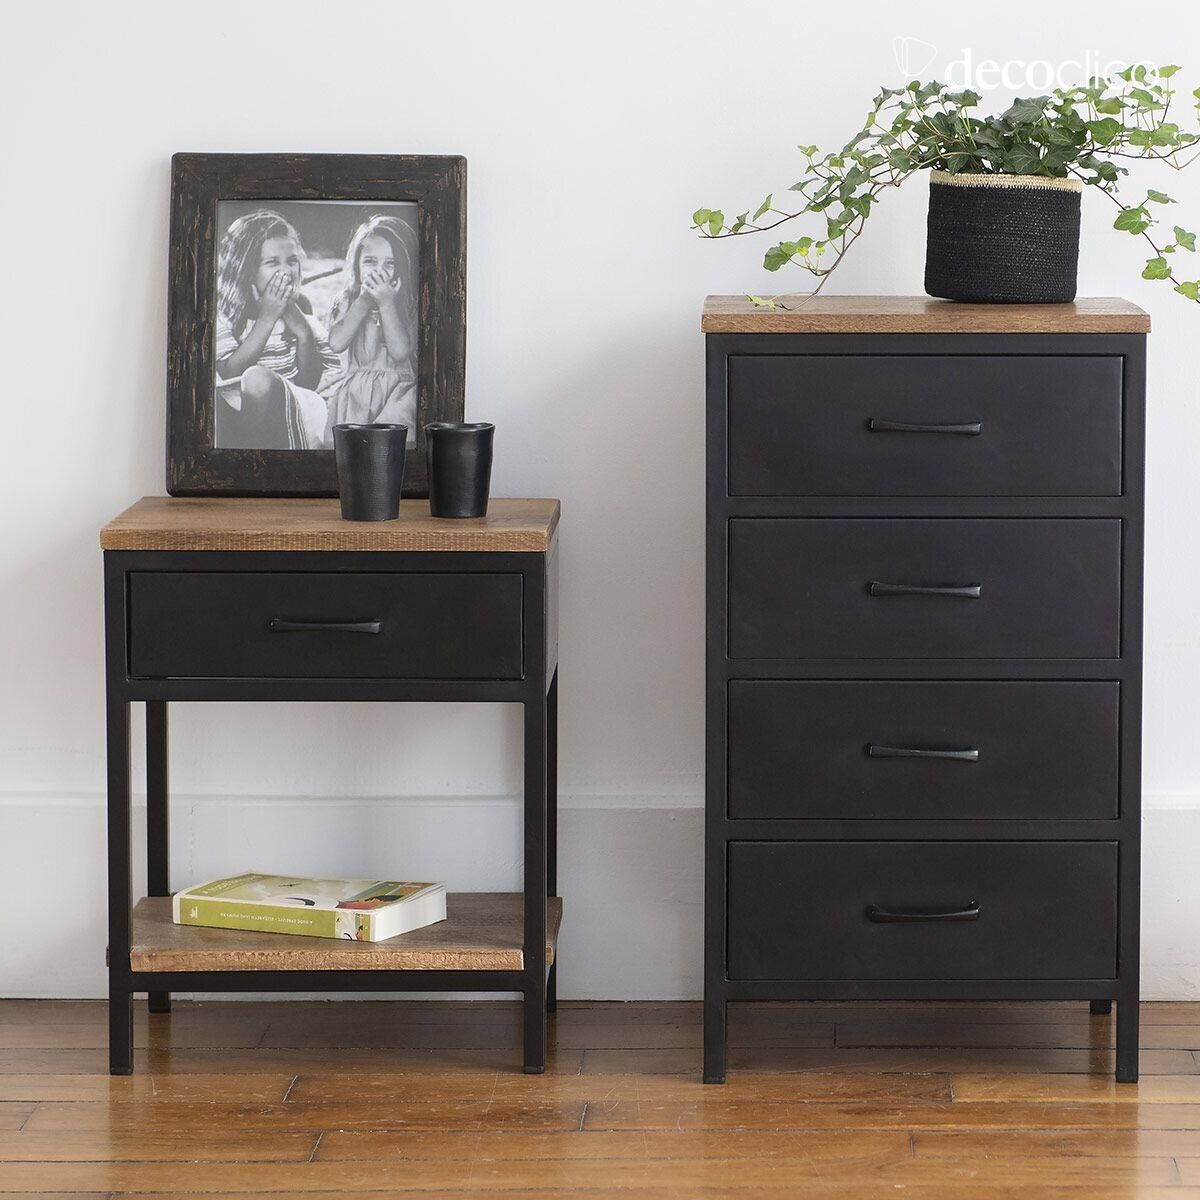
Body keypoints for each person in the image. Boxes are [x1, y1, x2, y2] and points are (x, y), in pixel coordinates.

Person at [213, 209, 339, 449]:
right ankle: (247, 450)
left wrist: (302, 331)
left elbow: (308, 383)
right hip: (235, 408)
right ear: (245, 268)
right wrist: (267, 317)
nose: (286, 271)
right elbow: (230, 373)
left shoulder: (300, 305)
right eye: (272, 262)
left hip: (289, 405)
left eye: (292, 261)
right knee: (256, 377)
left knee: (260, 379)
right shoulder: (227, 309)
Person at [323, 214, 418, 430]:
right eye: (370, 261)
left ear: (402, 268)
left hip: (397, 393)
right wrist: (363, 301)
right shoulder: (349, 299)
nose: (378, 271)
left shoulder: (408, 303)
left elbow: (400, 351)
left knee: (387, 443)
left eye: (390, 263)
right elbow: (337, 343)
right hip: (357, 394)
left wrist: (386, 304)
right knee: (354, 450)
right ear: (357, 265)